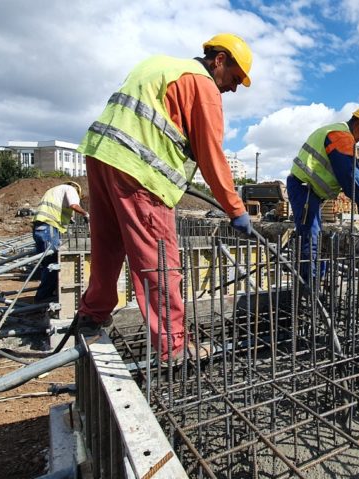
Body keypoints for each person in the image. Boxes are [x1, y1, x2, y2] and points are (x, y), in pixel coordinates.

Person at [74, 33, 254, 365]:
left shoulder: (159, 64)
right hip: (141, 173)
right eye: (234, 78)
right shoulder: (203, 86)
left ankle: (92, 314)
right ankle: (174, 347)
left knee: (107, 245)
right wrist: (236, 209)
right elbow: (212, 156)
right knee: (159, 261)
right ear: (219, 60)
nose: (233, 88)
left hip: (102, 156)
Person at [286, 106, 359, 287]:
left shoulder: (336, 132)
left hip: (308, 191)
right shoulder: (341, 136)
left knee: (312, 236)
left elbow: (350, 172)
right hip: (304, 190)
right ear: (358, 124)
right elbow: (350, 176)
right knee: (311, 238)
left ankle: (313, 279)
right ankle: (311, 287)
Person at [32, 181, 89, 303]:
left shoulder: (53, 191)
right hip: (49, 227)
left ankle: (46, 294)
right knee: (53, 262)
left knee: (47, 263)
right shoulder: (71, 189)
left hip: (40, 227)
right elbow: (73, 205)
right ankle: (43, 297)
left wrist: (69, 219)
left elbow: (58, 208)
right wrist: (85, 214)